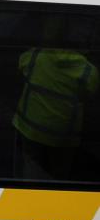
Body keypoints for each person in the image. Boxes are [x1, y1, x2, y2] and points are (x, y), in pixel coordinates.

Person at [12, 19, 98, 179]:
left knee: (31, 166)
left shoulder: (34, 56)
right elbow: (90, 96)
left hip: (29, 129)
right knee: (60, 173)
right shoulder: (88, 71)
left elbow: (20, 67)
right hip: (63, 137)